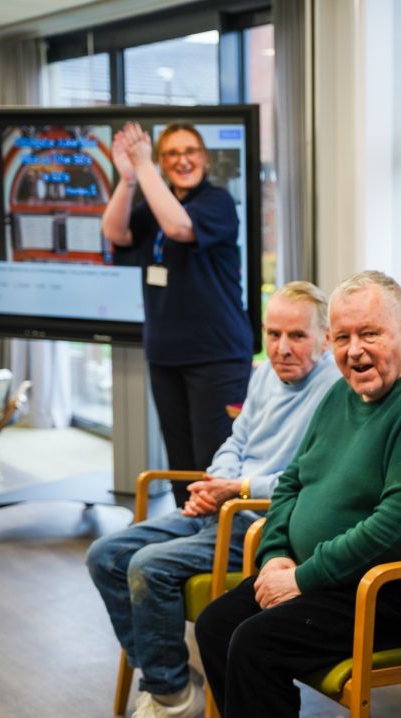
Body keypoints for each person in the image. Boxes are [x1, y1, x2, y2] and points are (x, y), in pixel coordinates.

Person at [194, 270, 401, 718]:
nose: (355, 351)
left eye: (369, 334)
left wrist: (304, 577)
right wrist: (276, 556)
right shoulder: (341, 395)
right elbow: (293, 482)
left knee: (255, 646)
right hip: (336, 579)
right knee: (217, 626)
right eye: (343, 337)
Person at [85, 281, 339, 718]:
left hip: (263, 522)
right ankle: (173, 682)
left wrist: (237, 489)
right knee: (105, 555)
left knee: (148, 567)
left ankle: (165, 696)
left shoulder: (335, 390)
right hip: (225, 504)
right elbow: (236, 440)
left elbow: (307, 480)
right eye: (273, 334)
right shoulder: (265, 374)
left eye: (297, 336)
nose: (282, 348)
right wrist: (216, 482)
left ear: (325, 338)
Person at [101, 120, 254, 507]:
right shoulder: (154, 204)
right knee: (180, 462)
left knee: (214, 460)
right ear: (162, 162)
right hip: (166, 354)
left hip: (216, 355)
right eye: (171, 153)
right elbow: (115, 232)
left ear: (204, 158)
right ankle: (184, 533)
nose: (182, 160)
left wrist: (145, 166)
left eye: (190, 151)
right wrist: (128, 179)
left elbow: (179, 226)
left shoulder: (217, 202)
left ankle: (218, 538)